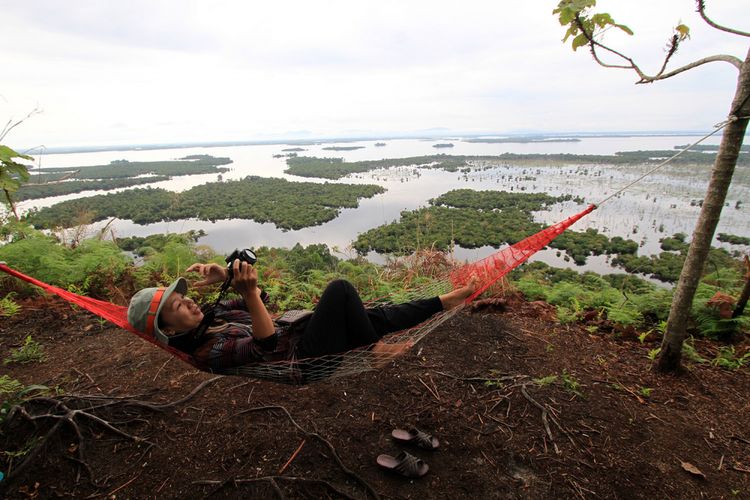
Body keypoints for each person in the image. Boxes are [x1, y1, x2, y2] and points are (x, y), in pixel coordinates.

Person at [128, 259, 477, 380]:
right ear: (169, 330)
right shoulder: (207, 351)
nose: (189, 301)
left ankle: (444, 301)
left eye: (183, 296)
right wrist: (248, 295)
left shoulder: (213, 314)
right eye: (177, 306)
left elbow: (261, 299)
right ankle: (371, 350)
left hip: (300, 335)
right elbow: (264, 345)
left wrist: (228, 280)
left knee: (373, 314)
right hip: (304, 360)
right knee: (340, 290)